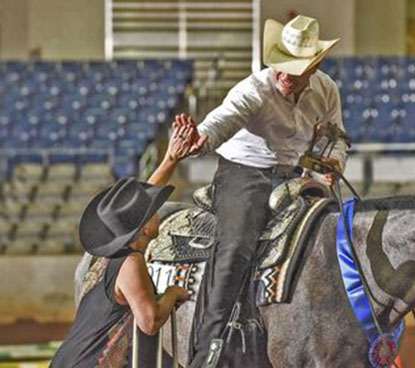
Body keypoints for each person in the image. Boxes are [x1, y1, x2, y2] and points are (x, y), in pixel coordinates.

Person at [174, 15, 349, 367]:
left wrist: (334, 162)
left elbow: (337, 138)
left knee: (336, 234)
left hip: (295, 174)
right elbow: (224, 118)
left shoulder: (327, 89)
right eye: (281, 67)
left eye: (294, 69)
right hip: (244, 172)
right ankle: (210, 347)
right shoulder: (253, 89)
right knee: (236, 245)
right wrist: (200, 139)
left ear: (313, 67)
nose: (285, 75)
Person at [50, 122, 199, 367]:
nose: (157, 213)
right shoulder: (131, 261)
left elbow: (138, 205)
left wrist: (171, 159)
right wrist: (173, 294)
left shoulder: (111, 255)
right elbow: (149, 322)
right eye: (151, 212)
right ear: (142, 229)